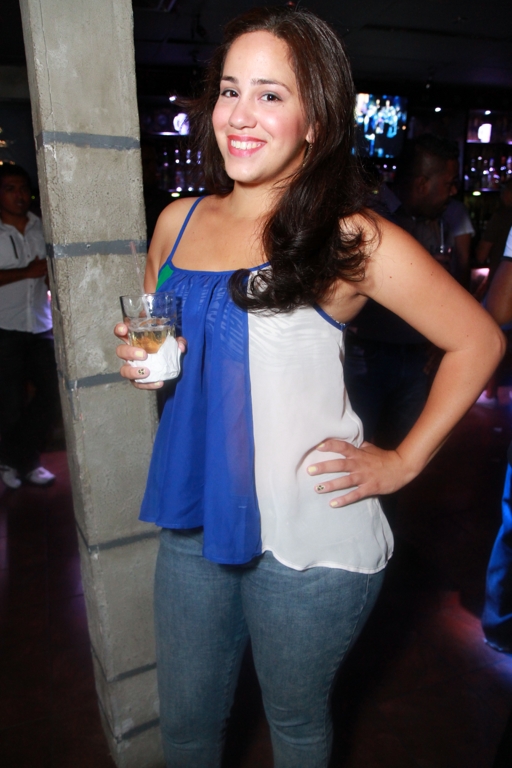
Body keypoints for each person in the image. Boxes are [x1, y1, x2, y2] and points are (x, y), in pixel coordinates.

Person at [115, 8, 503, 767]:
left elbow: (479, 339)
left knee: (294, 725)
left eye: (270, 94)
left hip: (308, 535)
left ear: (316, 122)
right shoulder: (176, 222)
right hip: (195, 518)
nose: (240, 114)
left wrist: (404, 461)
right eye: (230, 90)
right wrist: (143, 354)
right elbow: (171, 341)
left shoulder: (349, 236)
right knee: (186, 730)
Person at [344, 134, 460, 449]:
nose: (453, 191)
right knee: (352, 448)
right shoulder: (371, 216)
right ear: (422, 183)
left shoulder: (437, 223)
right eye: (448, 183)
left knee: (401, 450)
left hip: (417, 357)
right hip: (366, 355)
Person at [0, 163, 59, 489]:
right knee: (9, 403)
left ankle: (25, 459)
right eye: (10, 189)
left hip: (39, 326)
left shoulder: (40, 226)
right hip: (4, 328)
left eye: (23, 188)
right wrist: (26, 272)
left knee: (52, 395)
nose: (19, 195)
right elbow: (33, 270)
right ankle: (10, 462)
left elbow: (49, 273)